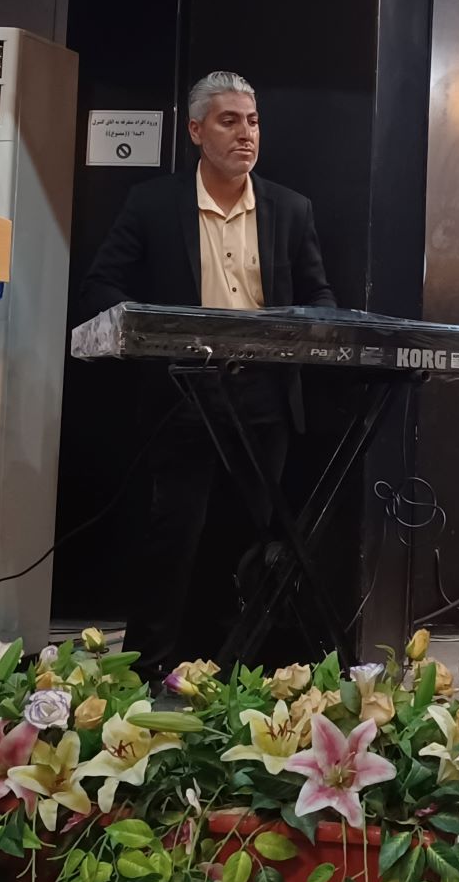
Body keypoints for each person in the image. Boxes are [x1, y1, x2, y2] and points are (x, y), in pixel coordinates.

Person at [78, 70, 336, 674]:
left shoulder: (290, 209)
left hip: (264, 396)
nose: (246, 134)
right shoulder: (152, 204)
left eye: (253, 121)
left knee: (246, 541)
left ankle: (232, 671)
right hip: (184, 394)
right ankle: (146, 673)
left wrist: (307, 333)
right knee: (173, 538)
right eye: (229, 121)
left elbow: (321, 296)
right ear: (196, 130)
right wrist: (154, 332)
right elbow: (100, 285)